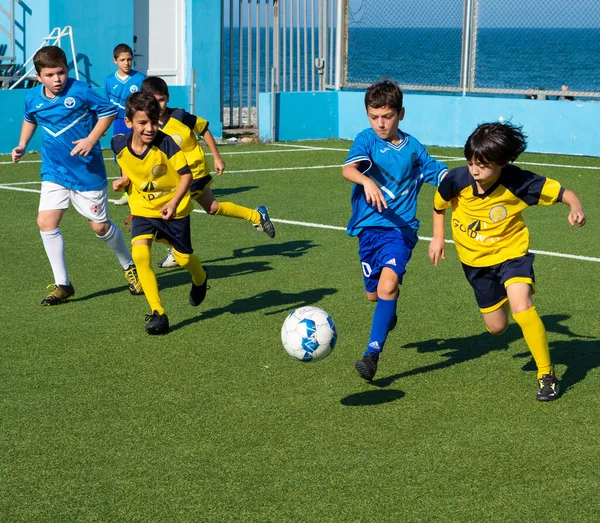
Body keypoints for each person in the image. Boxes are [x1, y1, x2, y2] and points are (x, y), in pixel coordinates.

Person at [429, 121, 586, 401]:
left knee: (521, 304)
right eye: (471, 163)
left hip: (512, 254)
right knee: (497, 327)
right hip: (475, 263)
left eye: (484, 165)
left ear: (503, 163)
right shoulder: (456, 179)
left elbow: (565, 193)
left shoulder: (519, 181)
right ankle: (501, 302)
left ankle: (546, 375)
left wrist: (575, 207)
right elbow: (438, 206)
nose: (475, 170)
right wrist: (438, 238)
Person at [11, 45, 142, 306]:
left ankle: (130, 266)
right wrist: (23, 144)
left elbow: (108, 112)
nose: (57, 79)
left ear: (67, 70)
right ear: (39, 77)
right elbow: (30, 119)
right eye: (49, 75)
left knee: (100, 227)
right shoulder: (32, 98)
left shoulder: (80, 91)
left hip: (87, 173)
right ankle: (63, 284)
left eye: (60, 72)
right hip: (54, 171)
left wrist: (91, 139)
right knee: (46, 222)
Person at [342, 80, 449, 381]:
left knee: (387, 288)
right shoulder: (366, 140)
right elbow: (348, 169)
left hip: (400, 231)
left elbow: (437, 172)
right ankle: (387, 312)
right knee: (374, 295)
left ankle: (371, 355)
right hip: (367, 231)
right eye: (374, 117)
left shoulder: (413, 148)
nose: (381, 123)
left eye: (387, 117)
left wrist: (460, 180)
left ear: (400, 114)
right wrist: (365, 180)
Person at [137, 76, 275, 268]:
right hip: (173, 178)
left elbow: (205, 129)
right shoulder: (147, 126)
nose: (158, 105)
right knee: (213, 208)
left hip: (194, 172)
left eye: (161, 99)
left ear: (167, 98)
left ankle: (177, 251)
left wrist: (217, 157)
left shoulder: (180, 116)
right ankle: (257, 216)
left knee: (166, 214)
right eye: (153, 100)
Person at [111, 92, 209, 335]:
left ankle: (200, 278)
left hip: (173, 209)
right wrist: (124, 179)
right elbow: (124, 159)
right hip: (143, 209)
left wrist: (174, 203)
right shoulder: (118, 143)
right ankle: (158, 313)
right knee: (140, 255)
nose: (150, 128)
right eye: (142, 122)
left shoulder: (166, 144)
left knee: (184, 259)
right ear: (129, 122)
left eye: (154, 122)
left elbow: (186, 175)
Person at [104, 43, 146, 206]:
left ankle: (141, 188)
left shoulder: (140, 79)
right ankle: (128, 191)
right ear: (115, 61)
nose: (126, 63)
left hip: (136, 123)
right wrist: (104, 127)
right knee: (122, 156)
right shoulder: (109, 81)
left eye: (129, 59)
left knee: (139, 153)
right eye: (122, 60)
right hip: (118, 123)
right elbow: (107, 106)